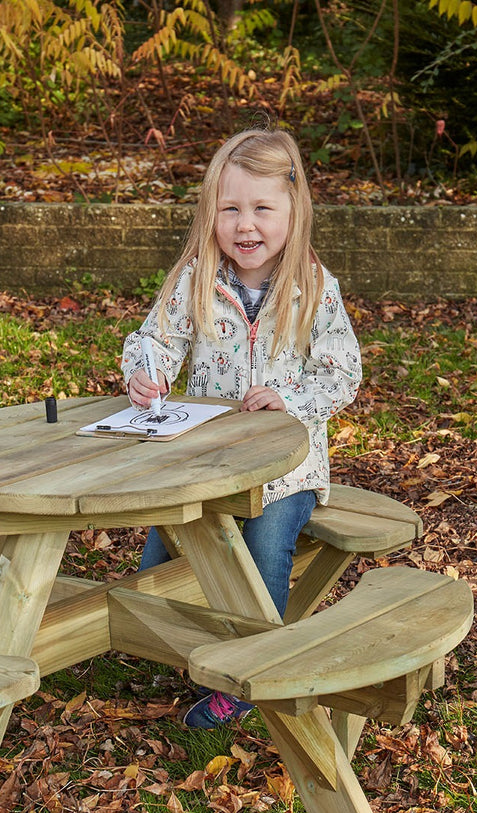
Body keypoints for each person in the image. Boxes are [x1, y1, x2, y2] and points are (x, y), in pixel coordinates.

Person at [121, 127, 362, 729]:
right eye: (230, 209)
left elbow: (344, 373)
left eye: (261, 209)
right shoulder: (196, 278)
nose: (244, 225)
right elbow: (153, 341)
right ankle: (180, 651)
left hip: (287, 474)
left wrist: (289, 397)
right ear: (211, 213)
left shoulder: (313, 288)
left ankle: (251, 672)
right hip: (203, 466)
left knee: (260, 554)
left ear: (293, 209)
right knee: (164, 558)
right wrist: (145, 373)